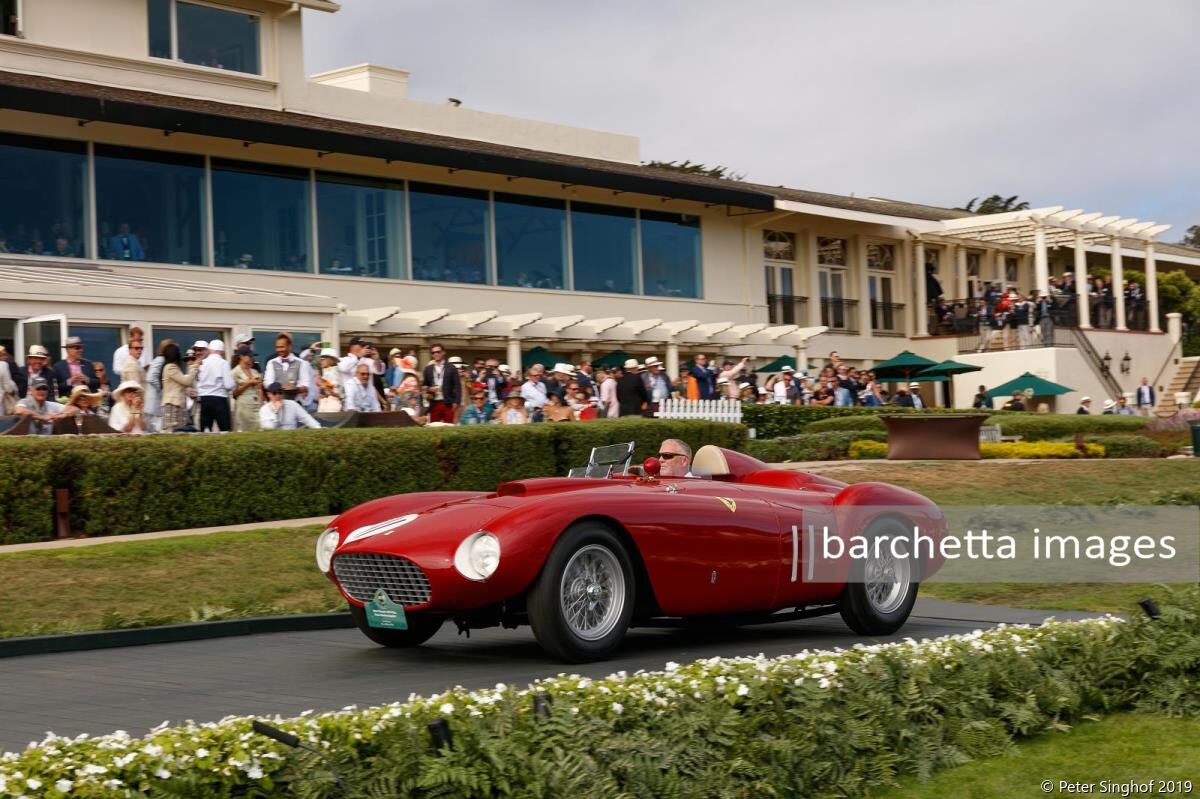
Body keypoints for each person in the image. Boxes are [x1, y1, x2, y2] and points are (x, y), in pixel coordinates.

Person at [264, 333, 315, 407]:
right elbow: (267, 383)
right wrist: (281, 386)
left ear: (289, 347)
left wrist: (296, 388)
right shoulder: (271, 362)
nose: (279, 350)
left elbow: (305, 383)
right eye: (277, 347)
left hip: (296, 403)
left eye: (282, 347)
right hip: (277, 403)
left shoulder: (301, 363)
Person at [196, 339, 235, 432]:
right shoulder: (223, 363)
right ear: (221, 351)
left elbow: (198, 381)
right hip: (219, 399)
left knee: (206, 430)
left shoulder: (202, 363)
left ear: (210, 350)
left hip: (205, 399)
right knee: (224, 430)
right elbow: (228, 385)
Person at [159, 343, 194, 432]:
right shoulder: (171, 367)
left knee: (179, 432)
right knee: (173, 432)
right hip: (172, 406)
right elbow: (187, 381)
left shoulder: (170, 367)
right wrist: (194, 367)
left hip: (176, 405)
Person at [422, 343, 461, 423]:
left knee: (448, 426)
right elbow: (424, 386)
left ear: (443, 352)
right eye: (433, 352)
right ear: (432, 355)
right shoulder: (428, 369)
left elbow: (457, 386)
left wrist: (457, 402)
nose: (436, 354)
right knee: (434, 426)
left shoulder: (451, 368)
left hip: (448, 402)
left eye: (438, 352)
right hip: (434, 402)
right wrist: (429, 388)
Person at [231, 349, 263, 432]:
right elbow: (235, 393)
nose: (252, 358)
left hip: (255, 404)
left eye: (252, 356)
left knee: (258, 429)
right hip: (243, 404)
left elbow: (259, 389)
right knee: (245, 431)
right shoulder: (234, 372)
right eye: (250, 356)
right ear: (241, 356)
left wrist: (261, 401)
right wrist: (248, 383)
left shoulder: (254, 371)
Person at [316, 348, 344, 412]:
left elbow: (336, 392)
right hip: (325, 401)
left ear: (331, 360)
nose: (321, 361)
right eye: (320, 359)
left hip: (333, 402)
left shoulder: (335, 372)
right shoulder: (327, 371)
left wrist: (322, 383)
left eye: (323, 359)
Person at [0, 345, 17, 414]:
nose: (6, 357)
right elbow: (8, 387)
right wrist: (13, 391)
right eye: (3, 354)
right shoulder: (3, 365)